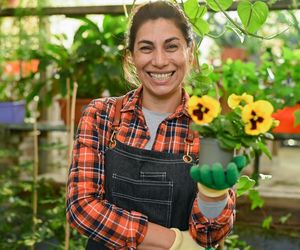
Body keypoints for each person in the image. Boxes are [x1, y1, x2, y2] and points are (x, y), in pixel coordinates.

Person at [66, 1, 246, 249]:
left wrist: (212, 197)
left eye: (171, 47)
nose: (159, 61)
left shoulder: (211, 128)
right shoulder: (102, 116)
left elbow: (209, 236)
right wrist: (175, 242)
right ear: (131, 57)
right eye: (146, 48)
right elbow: (82, 208)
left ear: (189, 52)